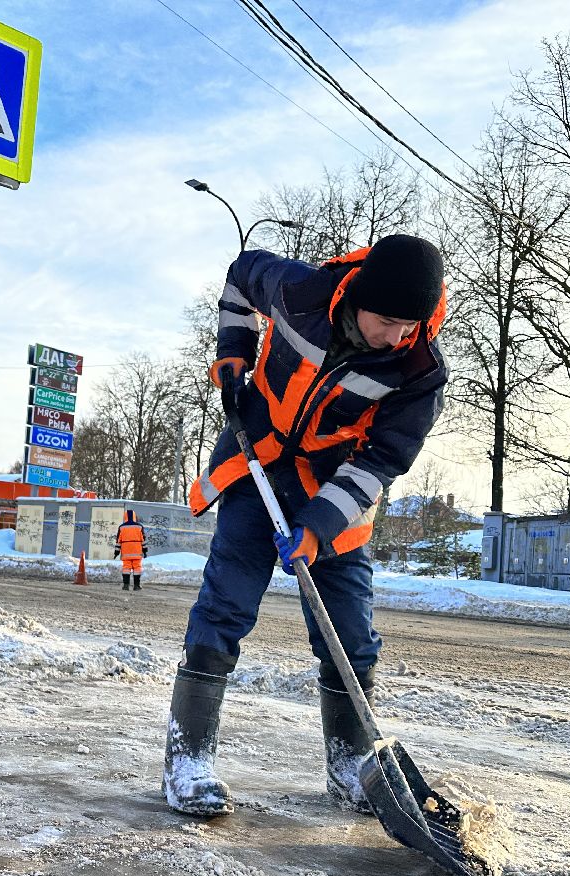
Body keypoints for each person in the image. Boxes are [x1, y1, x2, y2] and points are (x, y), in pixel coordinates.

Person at [162, 235, 448, 819]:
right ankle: (188, 759)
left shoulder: (419, 371)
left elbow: (380, 461)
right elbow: (241, 275)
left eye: (409, 324)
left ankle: (349, 768)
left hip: (334, 489)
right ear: (361, 297)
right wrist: (233, 349)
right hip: (257, 461)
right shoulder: (299, 291)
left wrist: (318, 526)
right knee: (226, 604)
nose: (397, 336)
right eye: (388, 320)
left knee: (349, 632)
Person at [114, 509, 147, 591]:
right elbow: (143, 540)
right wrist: (145, 551)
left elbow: (118, 541)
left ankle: (126, 585)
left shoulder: (122, 527)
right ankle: (136, 586)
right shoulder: (139, 527)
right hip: (137, 552)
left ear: (125, 517)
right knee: (137, 568)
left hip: (126, 552)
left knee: (126, 568)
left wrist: (116, 552)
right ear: (134, 517)